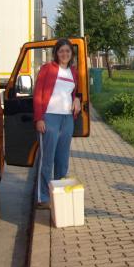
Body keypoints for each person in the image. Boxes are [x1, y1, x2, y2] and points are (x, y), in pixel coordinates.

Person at [33, 39, 82, 208]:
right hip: (50, 118)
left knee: (62, 159)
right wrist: (39, 118)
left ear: (71, 54)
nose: (65, 54)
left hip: (67, 119)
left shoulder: (73, 72)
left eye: (68, 51)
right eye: (61, 51)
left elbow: (74, 92)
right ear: (56, 53)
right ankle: (43, 197)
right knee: (47, 159)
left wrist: (77, 99)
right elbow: (38, 94)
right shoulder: (47, 69)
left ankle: (60, 195)